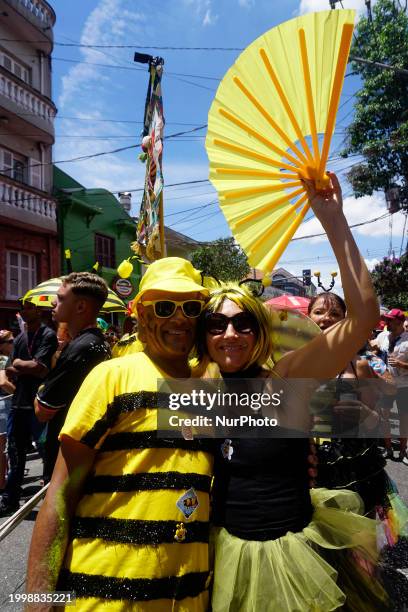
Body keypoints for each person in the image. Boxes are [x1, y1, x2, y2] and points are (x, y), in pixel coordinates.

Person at [196, 173, 387, 611]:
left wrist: (333, 219)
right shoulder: (196, 385)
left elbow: (362, 315)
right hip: (219, 552)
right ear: (203, 335)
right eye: (217, 324)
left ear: (259, 332)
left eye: (243, 323)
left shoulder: (285, 378)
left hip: (291, 555)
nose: (230, 334)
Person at [26, 258, 213, 611]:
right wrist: (38, 600)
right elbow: (60, 494)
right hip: (103, 597)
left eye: (191, 307)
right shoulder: (113, 376)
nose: (179, 318)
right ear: (142, 314)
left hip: (186, 599)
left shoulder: (207, 389)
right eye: (164, 306)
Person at [307, 292, 392, 516]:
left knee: (357, 538)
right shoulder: (291, 363)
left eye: (334, 313)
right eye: (318, 312)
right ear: (308, 318)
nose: (326, 318)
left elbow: (379, 424)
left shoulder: (360, 366)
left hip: (354, 464)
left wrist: (363, 412)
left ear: (344, 321)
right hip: (310, 463)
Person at [35, 272, 111, 484]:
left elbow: (42, 410)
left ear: (80, 307)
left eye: (60, 298)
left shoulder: (80, 349)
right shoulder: (96, 343)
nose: (53, 302)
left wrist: (41, 387)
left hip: (68, 461)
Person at [0, 302, 57, 515]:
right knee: (15, 454)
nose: (25, 310)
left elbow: (40, 368)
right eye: (22, 307)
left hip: (39, 404)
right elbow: (8, 369)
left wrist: (20, 364)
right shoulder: (21, 337)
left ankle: (51, 502)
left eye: (30, 307)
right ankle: (10, 500)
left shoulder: (47, 335)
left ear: (38, 311)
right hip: (18, 404)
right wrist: (26, 365)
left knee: (46, 453)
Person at [374, 308, 408, 465]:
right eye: (386, 319)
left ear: (400, 322)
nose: (386, 322)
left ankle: (403, 451)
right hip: (387, 385)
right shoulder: (383, 336)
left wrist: (402, 364)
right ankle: (388, 448)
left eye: (389, 320)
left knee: (404, 419)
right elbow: (373, 349)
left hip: (404, 386)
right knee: (384, 417)